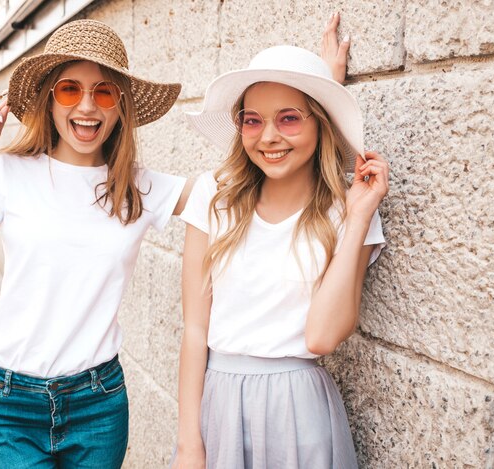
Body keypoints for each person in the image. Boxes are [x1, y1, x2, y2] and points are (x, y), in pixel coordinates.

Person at [0, 19, 191, 468]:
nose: (87, 106)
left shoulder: (139, 188)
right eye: (69, 89)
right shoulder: (7, 174)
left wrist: (318, 100)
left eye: (104, 91)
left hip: (97, 403)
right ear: (48, 98)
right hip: (9, 403)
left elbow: (235, 195)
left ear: (120, 105)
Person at [172, 16, 389, 469]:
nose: (269, 136)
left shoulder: (347, 212)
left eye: (289, 118)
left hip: (300, 411)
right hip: (219, 404)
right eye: (253, 121)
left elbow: (323, 335)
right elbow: (195, 331)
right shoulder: (215, 197)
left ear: (320, 124)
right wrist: (188, 444)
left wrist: (357, 219)